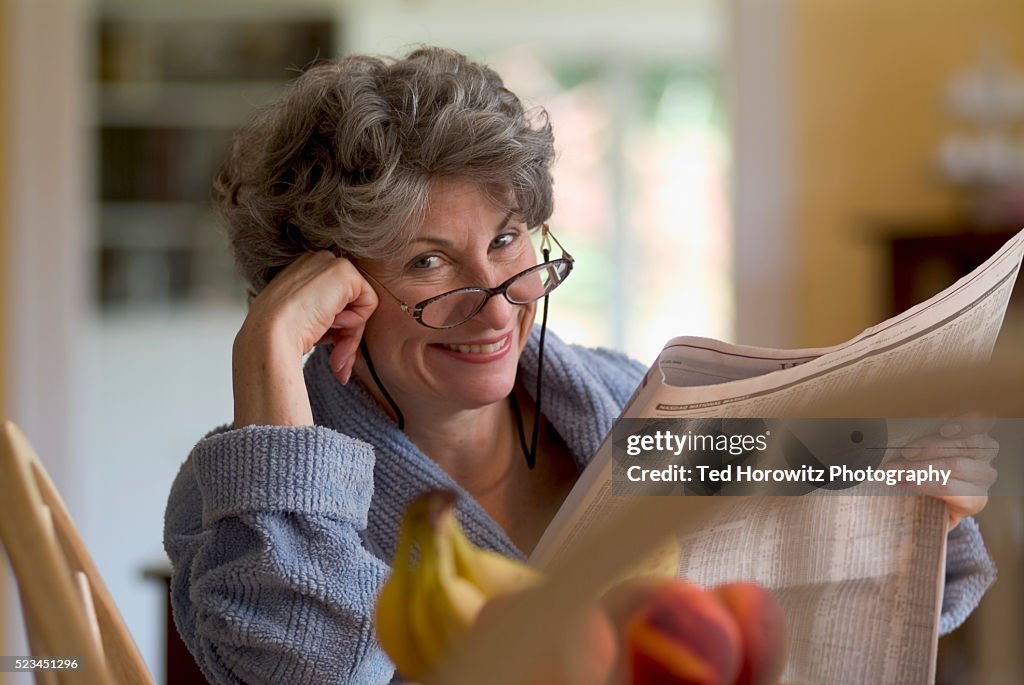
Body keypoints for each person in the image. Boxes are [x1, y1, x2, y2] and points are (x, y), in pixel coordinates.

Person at [164, 46, 997, 684]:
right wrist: (268, 350)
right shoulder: (240, 494)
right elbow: (307, 666)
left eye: (503, 240)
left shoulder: (622, 408)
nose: (495, 303)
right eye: (426, 262)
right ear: (329, 287)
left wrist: (925, 505)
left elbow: (828, 573)